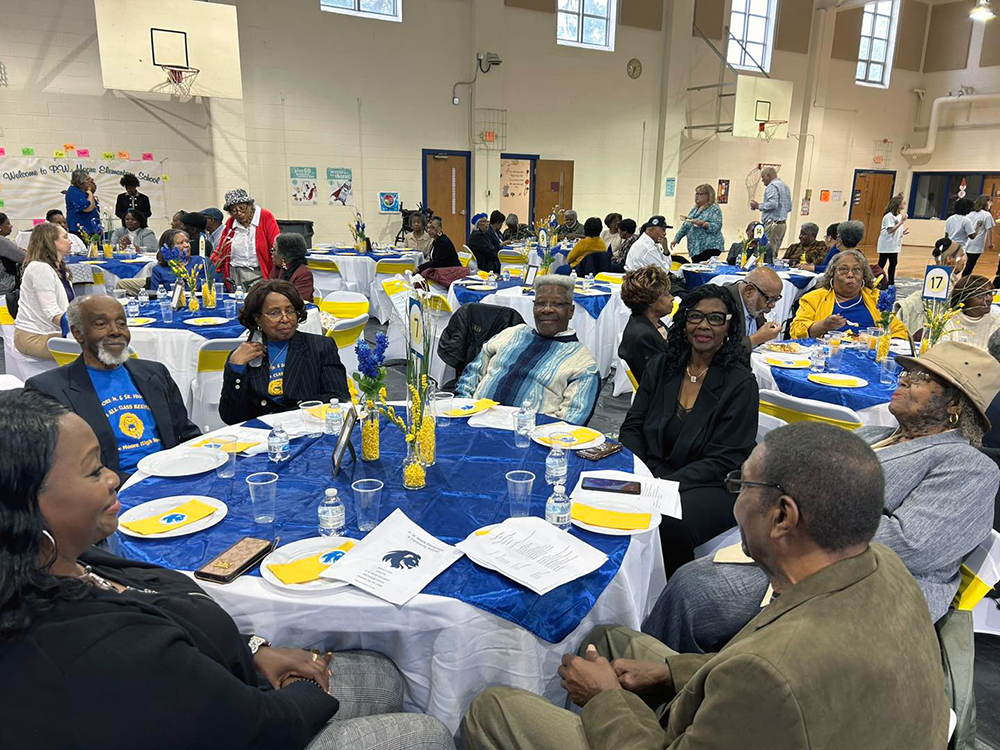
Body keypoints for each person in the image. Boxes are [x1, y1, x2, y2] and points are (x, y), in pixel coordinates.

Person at [0, 389, 456, 750]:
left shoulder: (64, 561)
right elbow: (257, 728)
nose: (113, 477)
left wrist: (254, 648)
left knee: (384, 673)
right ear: (27, 508)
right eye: (92, 470)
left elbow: (173, 623)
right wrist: (307, 691)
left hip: (232, 679)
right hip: (248, 722)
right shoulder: (94, 647)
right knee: (427, 734)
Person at [464, 422, 950, 750]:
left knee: (493, 708)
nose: (734, 502)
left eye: (742, 486)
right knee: (608, 639)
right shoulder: (881, 566)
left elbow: (764, 672)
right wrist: (671, 673)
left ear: (782, 516)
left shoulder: (771, 673)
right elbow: (758, 667)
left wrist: (606, 700)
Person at [645, 341, 1000, 655]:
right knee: (691, 580)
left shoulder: (967, 466)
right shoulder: (875, 433)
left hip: (863, 588)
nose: (903, 379)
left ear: (955, 404)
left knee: (697, 593)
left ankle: (662, 692)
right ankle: (673, 683)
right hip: (800, 550)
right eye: (908, 371)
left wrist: (800, 513)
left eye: (922, 379)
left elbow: (912, 545)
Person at [620, 285, 758, 574]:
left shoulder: (740, 384)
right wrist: (642, 472)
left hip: (714, 483)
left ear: (729, 326)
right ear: (684, 322)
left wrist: (664, 484)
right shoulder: (662, 366)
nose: (704, 326)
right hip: (653, 472)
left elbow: (726, 458)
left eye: (716, 318)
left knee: (668, 522)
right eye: (696, 316)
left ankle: (667, 599)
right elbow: (633, 425)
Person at [24, 296, 200, 479]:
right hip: (112, 492)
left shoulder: (155, 373)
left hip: (173, 476)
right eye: (101, 324)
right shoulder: (48, 389)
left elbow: (186, 433)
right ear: (78, 333)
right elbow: (60, 468)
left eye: (122, 323)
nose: (116, 331)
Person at [456, 275, 600, 425]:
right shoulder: (512, 333)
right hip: (472, 424)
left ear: (571, 311)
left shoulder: (583, 365)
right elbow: (472, 374)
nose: (547, 309)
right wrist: (462, 413)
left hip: (525, 440)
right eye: (540, 303)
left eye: (556, 304)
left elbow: (571, 422)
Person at [220, 280, 349, 424]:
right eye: (274, 313)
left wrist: (287, 416)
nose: (285, 319)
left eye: (289, 311)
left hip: (308, 427)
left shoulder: (320, 347)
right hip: (260, 435)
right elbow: (231, 418)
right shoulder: (243, 356)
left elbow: (340, 398)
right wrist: (236, 368)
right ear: (257, 319)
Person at [789, 248, 908, 339]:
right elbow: (796, 331)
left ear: (864, 275)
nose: (850, 274)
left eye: (856, 270)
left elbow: (899, 331)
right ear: (832, 274)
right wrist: (824, 325)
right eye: (843, 269)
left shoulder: (877, 298)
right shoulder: (814, 298)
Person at [14, 223, 73, 359]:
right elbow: (52, 313)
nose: (69, 241)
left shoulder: (58, 268)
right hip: (34, 337)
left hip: (52, 332)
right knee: (95, 351)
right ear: (51, 242)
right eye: (65, 237)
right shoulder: (40, 268)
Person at [895, 237, 966, 335]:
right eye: (962, 255)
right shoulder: (940, 277)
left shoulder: (947, 276)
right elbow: (936, 312)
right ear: (950, 259)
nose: (964, 259)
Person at [213, 189, 280, 291]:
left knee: (258, 302)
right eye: (234, 210)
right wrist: (210, 267)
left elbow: (276, 245)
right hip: (235, 273)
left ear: (249, 205)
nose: (239, 213)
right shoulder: (231, 223)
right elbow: (222, 249)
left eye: (242, 208)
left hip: (259, 272)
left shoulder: (265, 217)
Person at [618, 266, 673, 385]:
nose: (672, 298)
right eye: (666, 294)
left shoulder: (652, 322)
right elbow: (662, 379)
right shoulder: (643, 336)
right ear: (651, 300)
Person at [723, 266, 783, 357]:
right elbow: (720, 350)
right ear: (749, 291)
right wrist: (756, 339)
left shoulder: (754, 305)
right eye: (770, 299)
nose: (772, 305)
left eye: (776, 299)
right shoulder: (723, 304)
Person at [936, 274, 1000, 350]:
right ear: (964, 298)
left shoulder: (997, 317)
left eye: (990, 293)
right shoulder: (946, 321)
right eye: (981, 294)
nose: (989, 298)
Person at [671, 184, 724, 262]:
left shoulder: (714, 209)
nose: (697, 196)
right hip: (695, 247)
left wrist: (703, 224)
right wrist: (677, 238)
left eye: (700, 194)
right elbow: (686, 225)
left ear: (709, 195)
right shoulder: (694, 209)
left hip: (709, 246)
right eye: (696, 194)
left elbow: (717, 226)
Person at [749, 166, 791, 252]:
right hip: (782, 225)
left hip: (772, 224)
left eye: (763, 177)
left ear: (768, 175)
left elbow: (773, 204)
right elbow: (789, 207)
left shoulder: (772, 186)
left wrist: (758, 206)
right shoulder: (785, 186)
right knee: (774, 252)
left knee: (767, 252)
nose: (762, 180)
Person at [268, 233, 314, 303]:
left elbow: (299, 301)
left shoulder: (303, 273)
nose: (272, 254)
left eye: (273, 250)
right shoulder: (279, 268)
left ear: (283, 254)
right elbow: (267, 289)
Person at [947, 197, 985, 275]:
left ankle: (949, 279)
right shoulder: (966, 220)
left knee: (949, 265)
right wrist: (978, 226)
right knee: (959, 267)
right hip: (960, 247)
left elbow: (946, 234)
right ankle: (953, 280)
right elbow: (972, 236)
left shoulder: (950, 218)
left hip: (950, 245)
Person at [876, 195, 908, 285]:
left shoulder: (898, 216)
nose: (905, 204)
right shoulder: (889, 216)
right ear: (897, 204)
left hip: (894, 245)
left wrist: (902, 232)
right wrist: (902, 222)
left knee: (893, 263)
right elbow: (890, 230)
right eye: (903, 202)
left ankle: (891, 282)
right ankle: (876, 279)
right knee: (882, 263)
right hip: (886, 244)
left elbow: (896, 229)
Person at [65, 168, 100, 238]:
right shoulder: (74, 192)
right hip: (80, 230)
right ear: (81, 181)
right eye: (87, 179)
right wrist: (90, 193)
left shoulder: (83, 192)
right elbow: (87, 208)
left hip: (92, 229)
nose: (90, 181)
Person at [969, 194, 997, 278]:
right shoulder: (986, 215)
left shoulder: (970, 214)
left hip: (967, 243)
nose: (991, 204)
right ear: (985, 202)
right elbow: (990, 230)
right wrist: (990, 243)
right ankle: (963, 284)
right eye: (990, 202)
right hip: (976, 244)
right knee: (969, 266)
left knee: (968, 263)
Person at [0, 212, 25, 296]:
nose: (11, 226)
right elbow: (24, 257)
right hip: (5, 285)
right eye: (7, 223)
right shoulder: (1, 241)